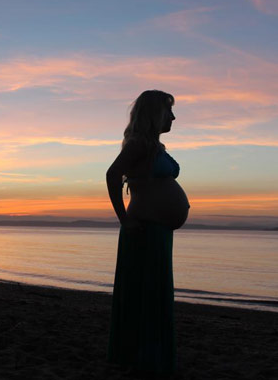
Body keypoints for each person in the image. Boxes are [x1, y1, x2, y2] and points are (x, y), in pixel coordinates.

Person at [106, 90, 190, 377]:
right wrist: (124, 220)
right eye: (169, 112)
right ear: (154, 113)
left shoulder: (154, 145)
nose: (173, 117)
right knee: (147, 296)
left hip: (157, 232)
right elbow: (111, 174)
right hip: (143, 232)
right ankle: (141, 359)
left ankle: (146, 358)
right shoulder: (138, 144)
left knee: (153, 295)